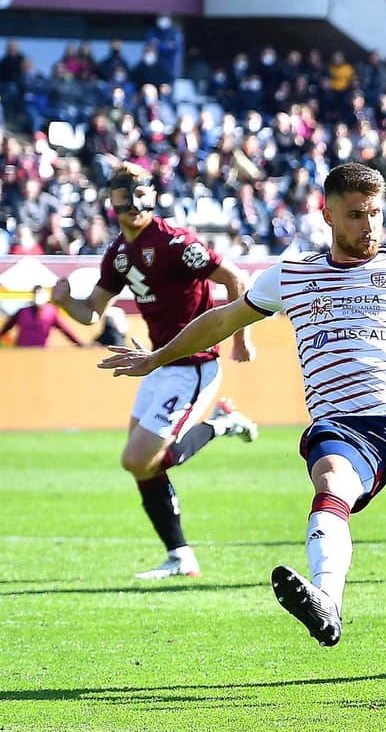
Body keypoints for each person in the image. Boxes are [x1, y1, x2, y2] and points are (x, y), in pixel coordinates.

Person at [97, 163, 386, 665]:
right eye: (357, 215)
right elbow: (223, 318)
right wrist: (157, 356)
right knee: (332, 484)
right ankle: (326, 601)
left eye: (377, 214)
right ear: (329, 215)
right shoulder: (293, 275)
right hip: (342, 424)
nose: (370, 226)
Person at [52, 162, 258, 580]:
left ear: (151, 196)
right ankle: (181, 556)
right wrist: (63, 301)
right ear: (112, 202)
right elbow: (92, 313)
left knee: (137, 459)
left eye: (138, 194)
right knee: (142, 464)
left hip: (194, 367)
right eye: (122, 197)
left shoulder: (173, 241)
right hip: (158, 365)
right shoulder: (119, 253)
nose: (132, 205)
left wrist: (240, 338)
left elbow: (234, 278)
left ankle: (220, 422)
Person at [0, 285, 85, 347]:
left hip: (40, 353)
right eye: (36, 293)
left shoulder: (51, 312)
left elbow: (66, 330)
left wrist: (80, 344)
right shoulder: (22, 312)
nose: (37, 296)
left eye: (40, 293)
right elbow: (6, 328)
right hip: (22, 352)